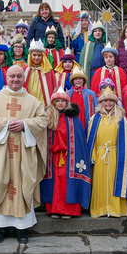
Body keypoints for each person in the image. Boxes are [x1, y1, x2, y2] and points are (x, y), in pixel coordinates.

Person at [0, 65, 49, 244]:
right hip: (1, 152)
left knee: (23, 184)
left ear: (24, 78)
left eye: (19, 76)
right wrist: (5, 124)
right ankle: (1, 229)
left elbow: (43, 120)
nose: (15, 80)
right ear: (6, 77)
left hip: (24, 153)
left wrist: (25, 124)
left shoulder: (33, 101)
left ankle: (22, 230)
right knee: (0, 184)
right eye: (12, 76)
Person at [87, 86, 127, 218]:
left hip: (115, 155)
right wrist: (93, 154)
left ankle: (115, 209)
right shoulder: (95, 118)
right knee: (99, 182)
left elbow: (126, 141)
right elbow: (91, 139)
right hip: (100, 155)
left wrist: (122, 156)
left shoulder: (121, 118)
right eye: (105, 101)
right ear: (101, 103)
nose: (108, 103)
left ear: (115, 103)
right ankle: (100, 209)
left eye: (111, 101)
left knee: (115, 181)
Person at [40, 87, 91, 219]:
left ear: (67, 102)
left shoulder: (74, 118)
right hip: (53, 156)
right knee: (55, 181)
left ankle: (69, 210)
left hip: (69, 157)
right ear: (54, 102)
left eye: (63, 101)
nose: (60, 103)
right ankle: (54, 209)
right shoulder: (48, 117)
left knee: (66, 181)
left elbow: (79, 139)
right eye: (58, 101)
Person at [24, 39, 56, 107]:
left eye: (39, 55)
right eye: (34, 55)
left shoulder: (48, 70)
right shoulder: (25, 70)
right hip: (28, 101)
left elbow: (53, 87)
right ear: (30, 56)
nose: (36, 57)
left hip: (43, 103)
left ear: (43, 56)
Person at [79, 21, 106, 87]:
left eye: (99, 31)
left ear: (102, 33)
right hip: (91, 73)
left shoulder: (106, 44)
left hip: (104, 73)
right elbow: (83, 61)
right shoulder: (87, 45)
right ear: (93, 33)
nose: (97, 33)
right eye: (95, 31)